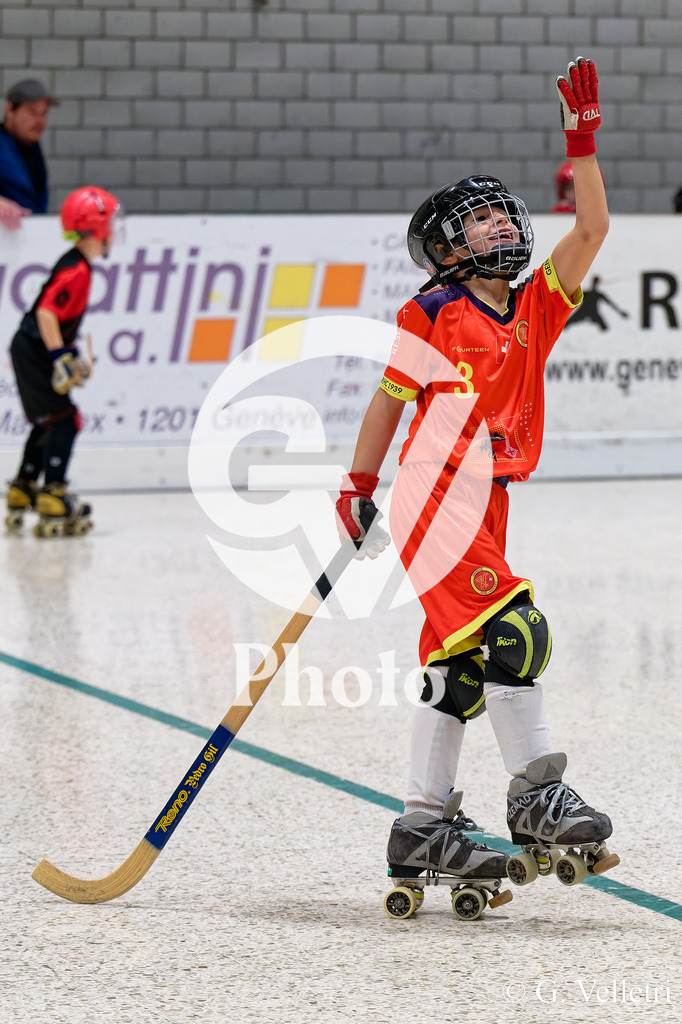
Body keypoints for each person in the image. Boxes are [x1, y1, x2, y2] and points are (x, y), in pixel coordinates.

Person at [335, 58, 618, 896]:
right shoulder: (431, 311)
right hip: (436, 494)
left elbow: (593, 228)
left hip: (488, 500)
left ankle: (421, 827)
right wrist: (356, 486)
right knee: (519, 633)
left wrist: (581, 144)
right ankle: (537, 796)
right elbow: (389, 402)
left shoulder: (535, 307)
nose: (498, 225)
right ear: (448, 248)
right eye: (478, 221)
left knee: (458, 674)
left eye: (501, 213)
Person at [5, 185, 119, 537]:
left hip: (27, 348)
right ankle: (53, 493)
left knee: (46, 421)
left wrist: (68, 353)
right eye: (111, 224)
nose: (114, 231)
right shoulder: (77, 271)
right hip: (36, 351)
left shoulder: (77, 264)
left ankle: (23, 487)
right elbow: (46, 313)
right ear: (97, 228)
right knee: (66, 420)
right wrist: (60, 357)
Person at [0, 78, 58, 231]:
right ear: (10, 110)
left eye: (43, 113)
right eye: (31, 112)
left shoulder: (32, 147)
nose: (39, 121)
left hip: (26, 238)